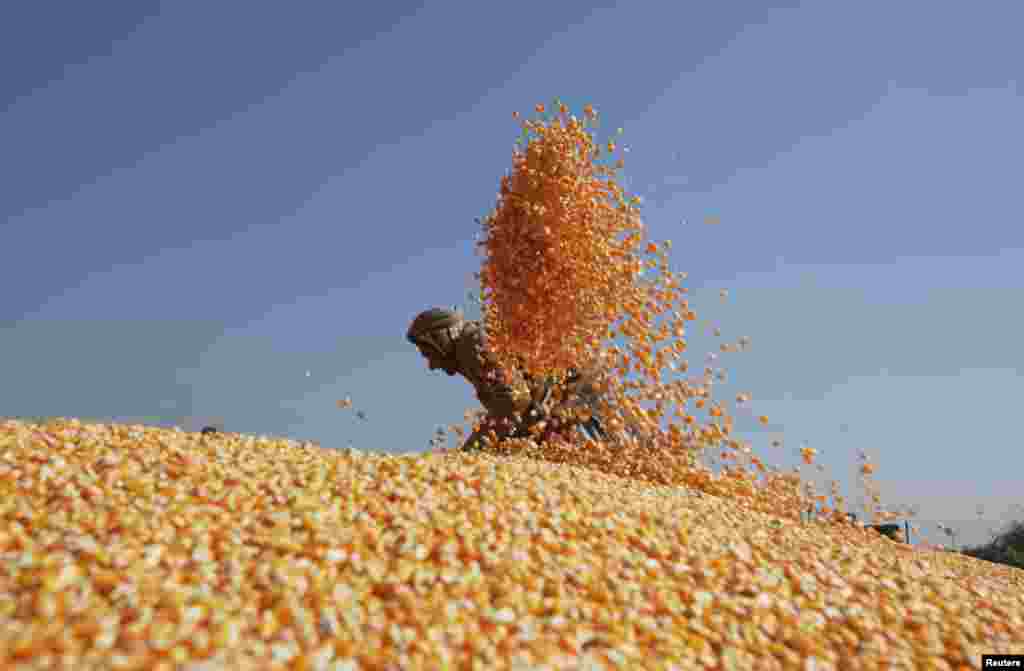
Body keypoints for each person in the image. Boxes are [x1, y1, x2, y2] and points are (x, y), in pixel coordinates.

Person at [406, 307, 607, 451]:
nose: (432, 365)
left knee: (606, 456)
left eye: (428, 354)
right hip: (559, 402)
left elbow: (514, 401)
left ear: (440, 339)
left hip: (574, 396)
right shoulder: (471, 348)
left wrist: (470, 453)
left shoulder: (471, 343)